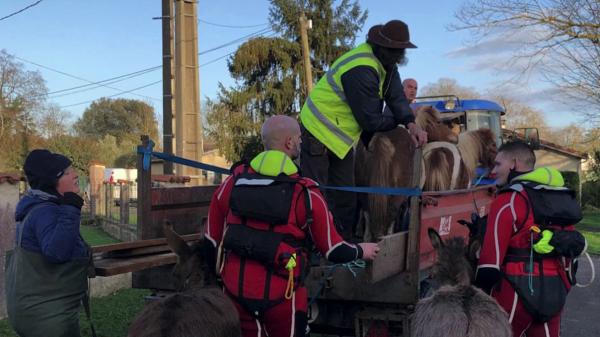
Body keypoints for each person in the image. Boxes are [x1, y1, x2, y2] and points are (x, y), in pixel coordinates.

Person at [205, 115, 380, 337]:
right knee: (294, 262)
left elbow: (211, 239)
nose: (301, 143)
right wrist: (362, 250)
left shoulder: (232, 182)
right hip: (284, 298)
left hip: (235, 294)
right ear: (289, 143)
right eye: (299, 138)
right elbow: (334, 250)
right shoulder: (306, 192)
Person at [299, 19, 428, 240]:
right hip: (317, 129)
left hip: (341, 137)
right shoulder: (361, 68)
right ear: (383, 47)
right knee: (317, 194)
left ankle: (343, 247)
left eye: (401, 51)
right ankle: (313, 250)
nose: (399, 56)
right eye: (396, 51)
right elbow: (371, 121)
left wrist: (410, 122)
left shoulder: (386, 64)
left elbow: (395, 95)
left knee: (347, 197)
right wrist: (396, 124)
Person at [475, 141, 584, 337]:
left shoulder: (508, 199)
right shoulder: (560, 198)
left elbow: (490, 265)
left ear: (514, 164)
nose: (493, 170)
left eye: (498, 164)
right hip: (555, 291)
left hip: (514, 293)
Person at [5, 149, 91, 337]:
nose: (75, 174)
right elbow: (57, 252)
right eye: (68, 172)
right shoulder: (45, 211)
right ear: (53, 181)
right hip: (48, 318)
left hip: (37, 312)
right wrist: (70, 207)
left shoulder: (38, 207)